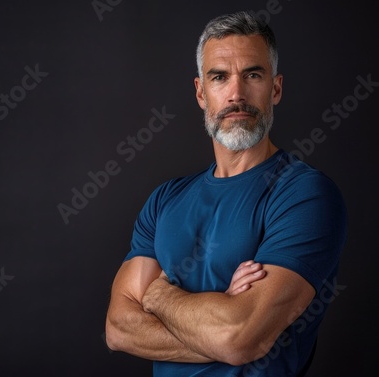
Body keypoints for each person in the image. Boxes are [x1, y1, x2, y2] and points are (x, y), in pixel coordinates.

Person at [104, 10, 348, 377]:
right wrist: (219, 325)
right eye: (219, 77)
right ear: (202, 92)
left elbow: (240, 337)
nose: (236, 93)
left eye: (252, 74)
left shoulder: (304, 195)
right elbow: (119, 329)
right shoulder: (166, 200)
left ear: (276, 88)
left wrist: (161, 297)